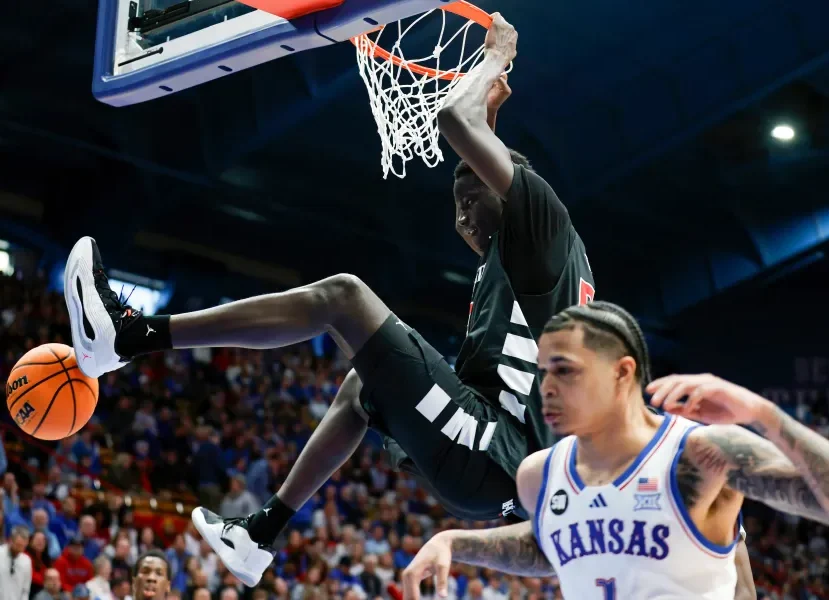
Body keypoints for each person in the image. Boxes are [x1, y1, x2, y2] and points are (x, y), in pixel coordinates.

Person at [63, 10, 593, 588]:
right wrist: (490, 113)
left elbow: (452, 121)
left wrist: (496, 57)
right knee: (363, 384)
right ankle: (259, 534)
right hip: (491, 456)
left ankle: (128, 336)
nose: (462, 218)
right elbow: (482, 151)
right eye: (458, 207)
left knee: (344, 297)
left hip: (492, 450)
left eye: (471, 201)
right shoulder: (537, 256)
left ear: (508, 189)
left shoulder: (542, 216)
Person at [400, 301, 828, 598]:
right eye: (543, 371)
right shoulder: (539, 474)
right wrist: (455, 541)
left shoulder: (699, 452)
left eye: (565, 370)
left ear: (622, 373)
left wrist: (766, 415)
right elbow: (555, 539)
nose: (545, 387)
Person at [0, 526, 33, 600]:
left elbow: (25, 589)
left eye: (23, 546)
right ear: (10, 540)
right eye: (17, 545)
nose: (19, 549)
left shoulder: (26, 561)